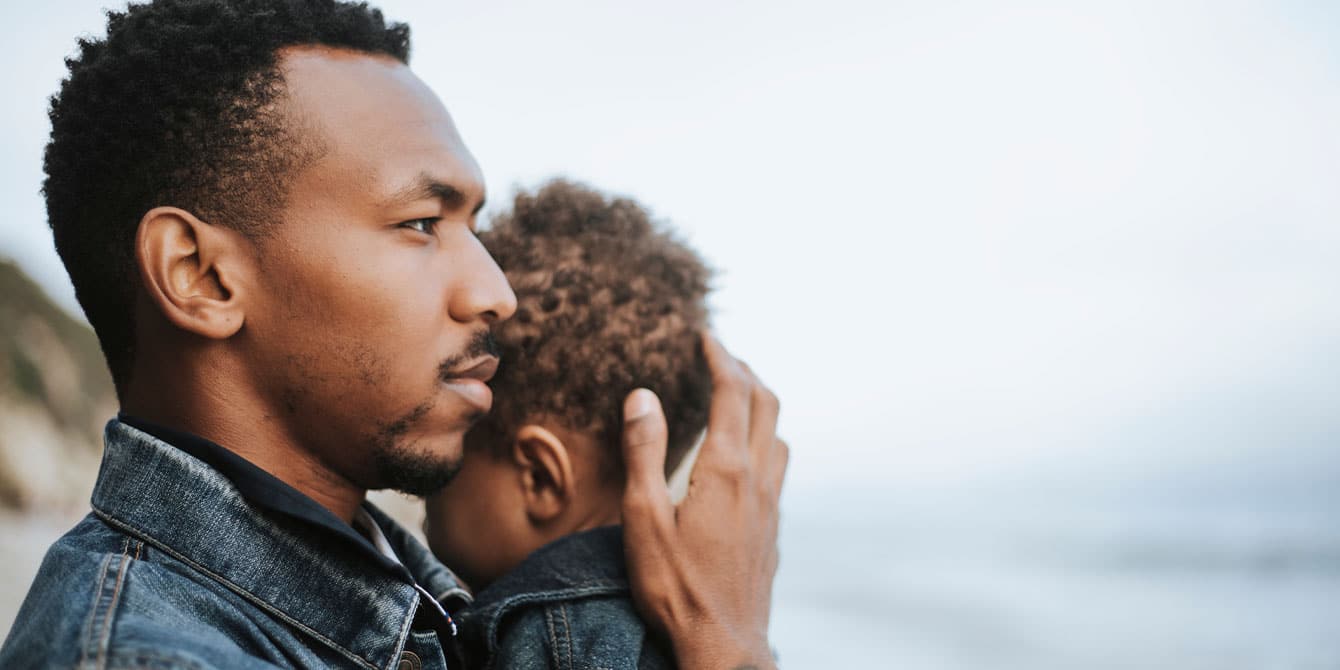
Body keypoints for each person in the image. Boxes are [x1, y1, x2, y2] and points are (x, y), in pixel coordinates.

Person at [0, 2, 787, 669]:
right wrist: (726, 644)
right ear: (200, 276)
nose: (497, 292)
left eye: (472, 227)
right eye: (420, 224)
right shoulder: (151, 654)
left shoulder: (413, 604)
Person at [424, 180, 713, 669]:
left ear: (539, 476)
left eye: (455, 432)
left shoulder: (548, 640)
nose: (425, 484)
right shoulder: (694, 630)